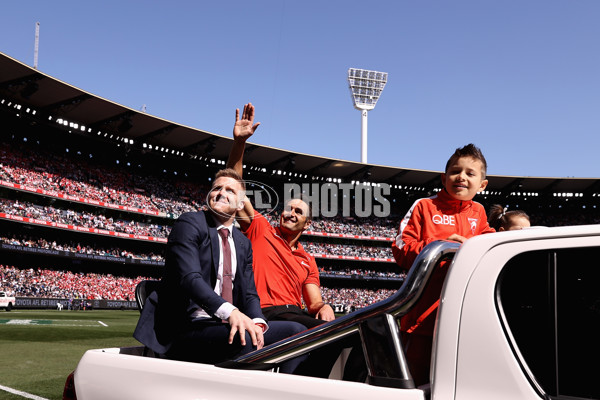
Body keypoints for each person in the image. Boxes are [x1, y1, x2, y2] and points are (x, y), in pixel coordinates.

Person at [133, 168, 305, 372]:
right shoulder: (189, 223)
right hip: (185, 327)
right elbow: (190, 278)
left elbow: (250, 294)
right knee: (246, 341)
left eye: (230, 190)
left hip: (221, 327)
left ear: (241, 204)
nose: (221, 192)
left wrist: (258, 322)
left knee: (297, 333)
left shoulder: (243, 243)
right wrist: (231, 312)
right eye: (216, 188)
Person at [391, 143, 495, 386]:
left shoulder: (478, 212)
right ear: (443, 177)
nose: (461, 177)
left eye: (470, 173)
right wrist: (439, 246)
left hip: (464, 321)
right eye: (455, 171)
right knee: (415, 386)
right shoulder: (424, 206)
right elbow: (400, 249)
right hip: (421, 320)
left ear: (482, 185)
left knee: (454, 385)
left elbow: (491, 244)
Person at [226, 103, 334, 329]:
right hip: (263, 312)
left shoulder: (308, 261)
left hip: (294, 313)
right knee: (307, 331)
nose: (291, 213)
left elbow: (314, 303)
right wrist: (239, 143)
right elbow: (234, 187)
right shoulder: (261, 228)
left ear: (307, 223)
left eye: (298, 211)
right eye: (288, 208)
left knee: (351, 332)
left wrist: (324, 307)